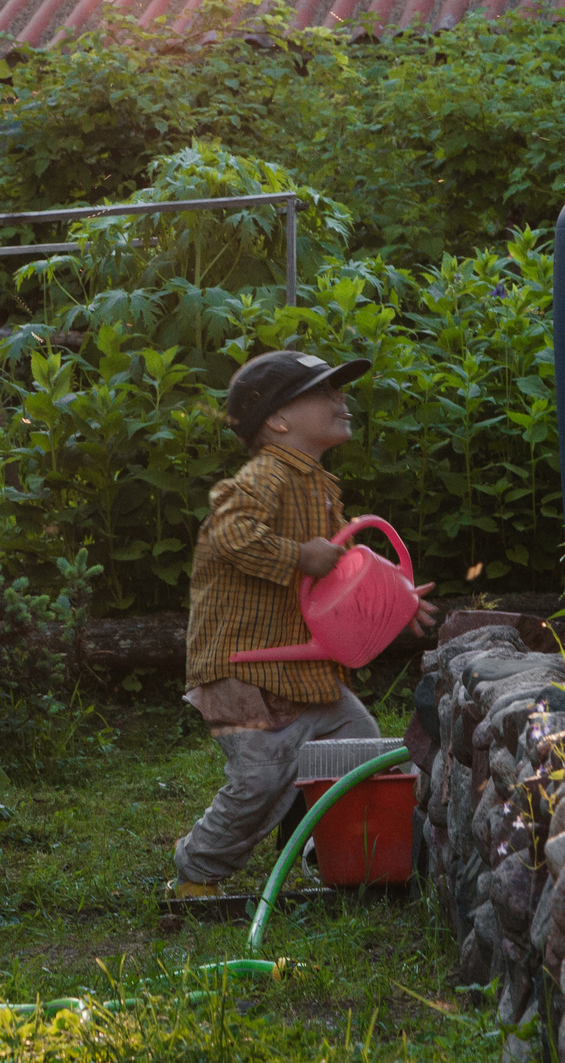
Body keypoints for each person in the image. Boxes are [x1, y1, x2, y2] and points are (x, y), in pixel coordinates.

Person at [170, 349, 437, 897]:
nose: (342, 400)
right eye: (325, 392)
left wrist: (395, 598)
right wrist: (297, 555)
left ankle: (329, 853)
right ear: (277, 419)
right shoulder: (266, 475)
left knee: (360, 743)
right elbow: (229, 532)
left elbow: (344, 569)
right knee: (261, 779)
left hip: (301, 666)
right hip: (247, 668)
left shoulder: (317, 484)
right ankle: (197, 872)